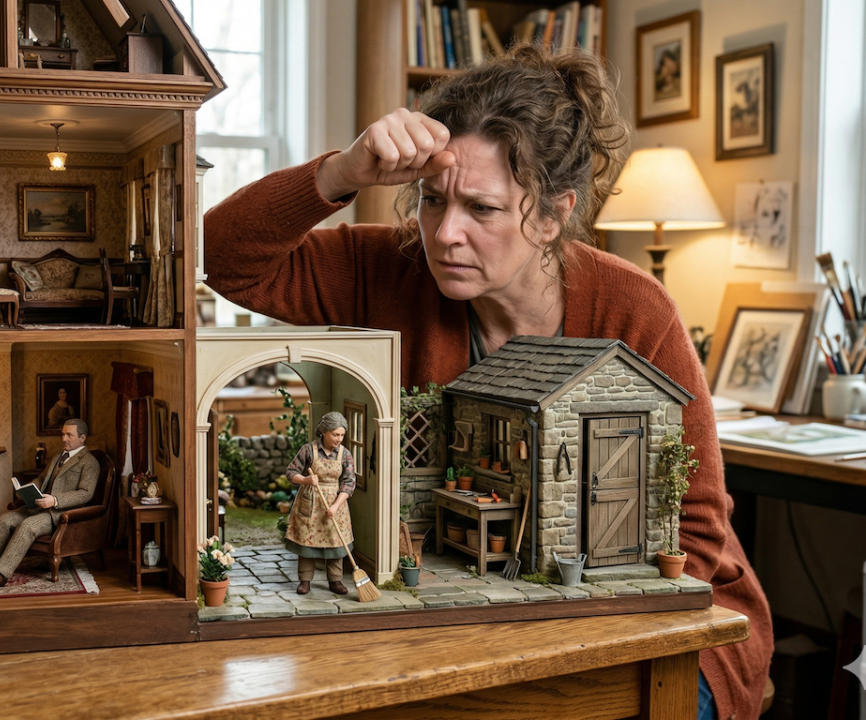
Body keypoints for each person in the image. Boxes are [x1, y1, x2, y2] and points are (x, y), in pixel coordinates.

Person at [203, 45, 772, 720]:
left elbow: (696, 533)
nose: (446, 233)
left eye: (482, 208)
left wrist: (551, 642)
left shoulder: (634, 310)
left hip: (664, 628)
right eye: (432, 200)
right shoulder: (390, 268)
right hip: (453, 620)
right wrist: (340, 172)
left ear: (554, 215)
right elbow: (221, 259)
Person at [0, 418, 98, 588]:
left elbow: (85, 494)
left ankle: (1, 574)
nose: (64, 438)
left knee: (27, 526)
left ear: (82, 437)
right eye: (63, 434)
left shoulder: (90, 463)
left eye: (69, 435)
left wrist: (55, 500)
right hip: (38, 507)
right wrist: (25, 489)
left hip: (59, 514)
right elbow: (41, 479)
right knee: (4, 520)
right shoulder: (58, 457)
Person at [284, 412, 357, 596]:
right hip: (310, 502)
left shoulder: (345, 454)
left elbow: (349, 482)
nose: (339, 439)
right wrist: (306, 480)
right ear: (324, 432)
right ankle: (305, 581)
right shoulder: (308, 450)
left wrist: (335, 506)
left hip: (335, 503)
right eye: (335, 434)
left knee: (335, 540)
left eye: (342, 435)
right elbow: (291, 472)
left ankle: (335, 580)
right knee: (307, 541)